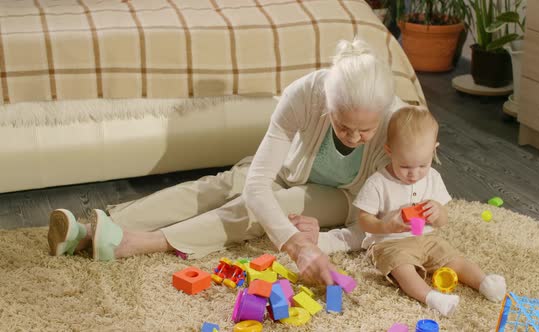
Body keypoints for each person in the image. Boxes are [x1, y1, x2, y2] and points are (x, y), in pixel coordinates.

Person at [47, 39, 403, 285]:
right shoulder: (305, 94)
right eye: (342, 125)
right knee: (223, 184)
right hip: (290, 170)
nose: (353, 138)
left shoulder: (399, 124)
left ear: (383, 115)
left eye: (365, 131)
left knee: (265, 207)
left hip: (339, 196)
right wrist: (294, 243)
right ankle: (98, 228)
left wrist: (316, 242)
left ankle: (137, 242)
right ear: (327, 102)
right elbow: (256, 183)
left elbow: (383, 221)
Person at [352, 106, 506, 316]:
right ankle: (432, 298)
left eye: (423, 165)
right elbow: (363, 220)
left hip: (427, 238)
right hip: (389, 242)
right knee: (402, 268)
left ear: (434, 149)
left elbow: (442, 221)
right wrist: (385, 225)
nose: (414, 174)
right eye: (405, 166)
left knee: (453, 258)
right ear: (390, 151)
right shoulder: (378, 183)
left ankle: (484, 282)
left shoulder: (432, 177)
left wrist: (438, 212)